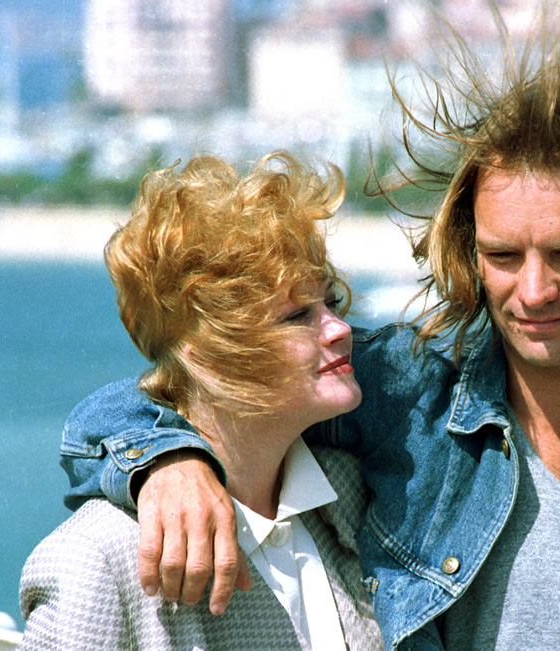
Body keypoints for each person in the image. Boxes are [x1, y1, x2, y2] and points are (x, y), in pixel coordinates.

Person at [57, 5, 560, 650]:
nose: (534, 291)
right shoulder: (408, 402)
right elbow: (177, 388)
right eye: (504, 255)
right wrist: (170, 461)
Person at [19, 153, 383, 650]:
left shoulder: (354, 496)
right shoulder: (99, 557)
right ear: (205, 354)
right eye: (297, 315)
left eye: (331, 302)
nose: (340, 328)